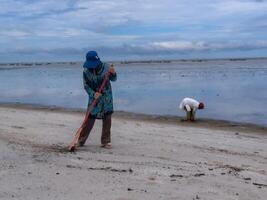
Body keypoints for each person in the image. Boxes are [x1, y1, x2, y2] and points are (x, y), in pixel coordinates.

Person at [77, 51, 117, 149]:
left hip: (106, 98)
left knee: (107, 118)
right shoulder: (86, 71)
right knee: (89, 118)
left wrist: (113, 72)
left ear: (98, 60)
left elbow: (114, 79)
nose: (92, 67)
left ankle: (106, 142)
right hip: (94, 98)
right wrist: (93, 94)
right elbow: (86, 85)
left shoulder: (107, 67)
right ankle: (81, 141)